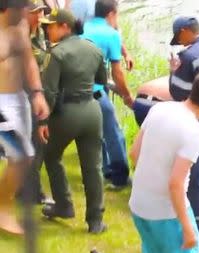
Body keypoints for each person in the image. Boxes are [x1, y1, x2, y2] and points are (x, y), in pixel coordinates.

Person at [129, 71, 199, 253]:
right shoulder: (195, 132)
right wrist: (187, 227)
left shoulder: (160, 108)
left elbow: (135, 153)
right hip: (166, 215)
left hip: (138, 204)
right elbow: (176, 183)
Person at [38, 9, 108, 234]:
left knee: (51, 155)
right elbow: (101, 80)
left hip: (66, 113)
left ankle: (64, 205)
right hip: (92, 110)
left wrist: (42, 122)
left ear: (65, 27)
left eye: (51, 25)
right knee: (93, 166)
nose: (47, 30)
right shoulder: (93, 48)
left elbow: (49, 92)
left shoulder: (56, 54)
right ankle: (95, 220)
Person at [0, 0, 49, 234]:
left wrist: (38, 93)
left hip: (18, 99)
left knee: (22, 157)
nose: (26, 13)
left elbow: (29, 60)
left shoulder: (19, 26)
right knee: (21, 156)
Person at [82, 0, 132, 188]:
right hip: (93, 90)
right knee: (114, 133)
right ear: (111, 14)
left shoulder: (82, 27)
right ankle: (120, 178)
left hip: (73, 89)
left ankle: (107, 169)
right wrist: (127, 96)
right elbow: (117, 72)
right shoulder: (111, 34)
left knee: (97, 131)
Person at [24, 0, 50, 204]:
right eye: (35, 12)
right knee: (34, 143)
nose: (39, 15)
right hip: (26, 97)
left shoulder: (41, 34)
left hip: (40, 94)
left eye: (41, 10)